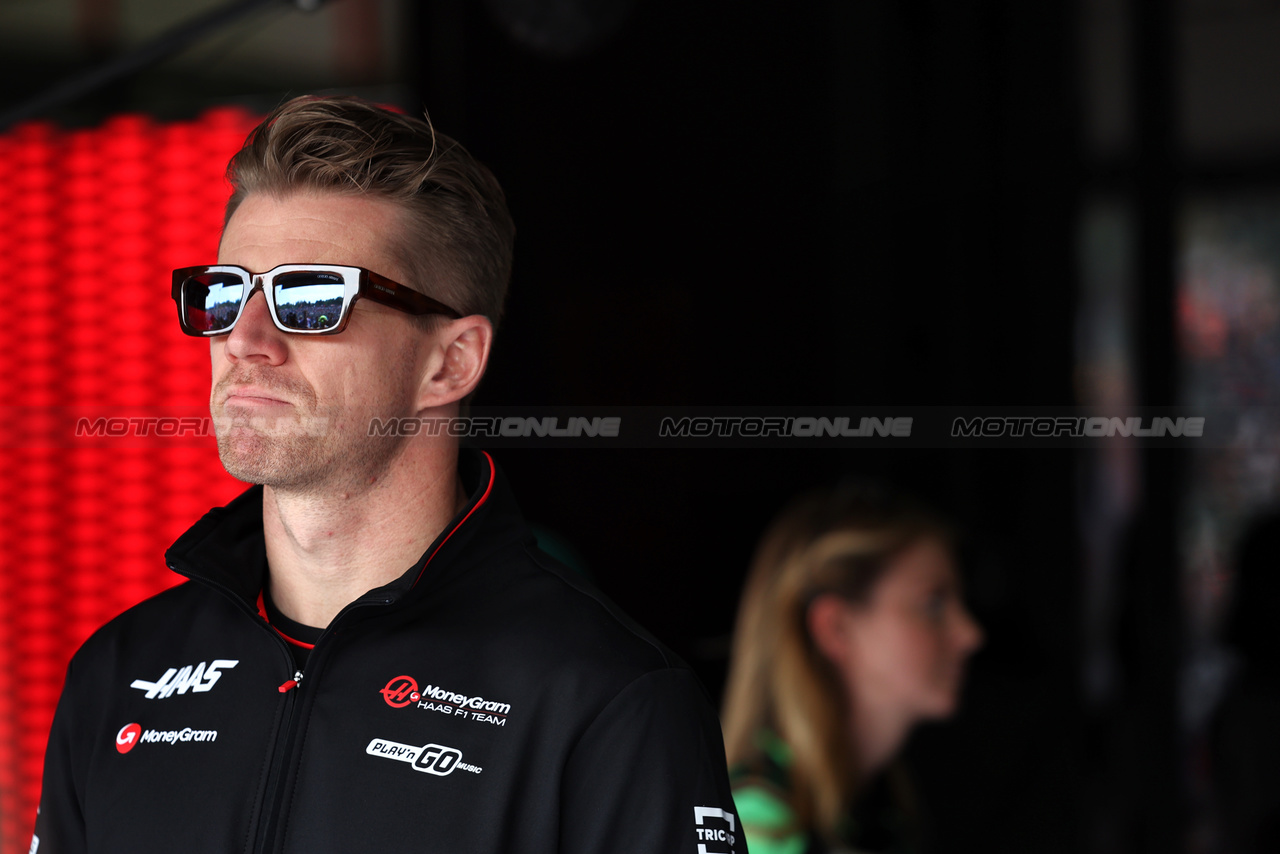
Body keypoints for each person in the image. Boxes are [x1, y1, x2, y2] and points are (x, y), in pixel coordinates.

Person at [32, 95, 742, 854]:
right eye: (226, 291)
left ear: (452, 361)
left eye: (310, 297)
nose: (245, 339)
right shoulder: (118, 675)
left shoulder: (607, 701)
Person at [721, 485, 982, 854]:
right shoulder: (760, 820)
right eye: (933, 605)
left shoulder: (886, 804)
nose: (970, 634)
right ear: (836, 627)